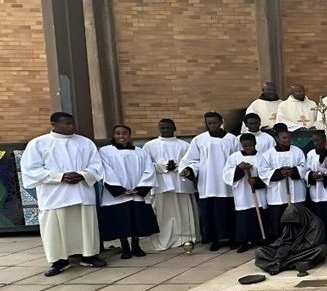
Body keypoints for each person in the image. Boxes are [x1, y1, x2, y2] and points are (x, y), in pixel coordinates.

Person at [21, 112, 108, 276]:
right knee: (54, 228)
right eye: (66, 124)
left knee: (85, 226)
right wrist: (60, 177)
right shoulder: (38, 144)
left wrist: (83, 174)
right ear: (53, 124)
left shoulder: (85, 142)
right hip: (54, 194)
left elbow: (96, 165)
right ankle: (59, 260)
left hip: (82, 191)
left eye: (72, 123)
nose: (71, 127)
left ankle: (88, 255)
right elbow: (31, 169)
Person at [180, 111, 239, 251]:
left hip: (227, 183)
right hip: (208, 183)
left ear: (221, 121)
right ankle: (215, 240)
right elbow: (192, 160)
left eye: (215, 122)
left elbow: (237, 158)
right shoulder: (199, 140)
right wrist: (189, 170)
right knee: (210, 214)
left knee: (229, 212)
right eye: (209, 123)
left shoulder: (232, 139)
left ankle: (232, 238)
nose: (212, 125)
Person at [99, 124, 158, 259]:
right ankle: (125, 246)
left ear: (129, 136)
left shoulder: (140, 152)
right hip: (117, 194)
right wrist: (119, 189)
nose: (121, 136)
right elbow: (105, 170)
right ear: (113, 135)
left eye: (124, 133)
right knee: (120, 220)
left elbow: (149, 170)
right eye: (118, 133)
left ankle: (136, 245)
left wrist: (140, 188)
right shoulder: (105, 151)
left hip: (136, 192)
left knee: (136, 219)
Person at [145, 119, 198, 252]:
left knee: (184, 213)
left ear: (174, 128)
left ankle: (185, 238)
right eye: (162, 128)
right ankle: (163, 240)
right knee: (163, 215)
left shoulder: (185, 145)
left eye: (168, 127)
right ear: (159, 128)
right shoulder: (150, 145)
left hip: (181, 183)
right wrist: (163, 166)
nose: (165, 130)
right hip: (161, 185)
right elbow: (144, 165)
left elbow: (192, 162)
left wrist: (181, 167)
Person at [256, 124, 308, 241]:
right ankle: (279, 239)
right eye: (284, 138)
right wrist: (279, 173)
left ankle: (298, 238)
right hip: (277, 193)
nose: (287, 140)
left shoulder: (297, 151)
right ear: (277, 139)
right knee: (278, 218)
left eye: (288, 138)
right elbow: (263, 171)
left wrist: (293, 171)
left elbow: (304, 166)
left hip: (295, 191)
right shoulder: (268, 154)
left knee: (296, 216)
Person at [254, 203, 327, 276]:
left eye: (295, 222)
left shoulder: (316, 223)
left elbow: (311, 244)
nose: (292, 225)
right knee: (259, 251)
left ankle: (278, 265)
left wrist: (288, 250)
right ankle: (289, 264)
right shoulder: (290, 224)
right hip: (289, 253)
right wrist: (279, 256)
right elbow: (285, 241)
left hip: (303, 252)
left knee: (322, 249)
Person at [223, 133, 268, 253]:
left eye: (251, 145)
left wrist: (256, 181)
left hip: (257, 192)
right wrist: (239, 169)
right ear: (241, 145)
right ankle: (246, 241)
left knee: (259, 214)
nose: (248, 148)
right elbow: (227, 174)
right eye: (245, 146)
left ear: (255, 144)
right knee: (245, 216)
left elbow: (266, 173)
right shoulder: (234, 157)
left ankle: (261, 238)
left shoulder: (261, 157)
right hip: (242, 192)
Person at [305, 133, 327, 248]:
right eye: (314, 141)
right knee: (318, 216)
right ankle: (319, 239)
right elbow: (306, 170)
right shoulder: (310, 154)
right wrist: (311, 175)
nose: (316, 143)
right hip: (316, 189)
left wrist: (326, 174)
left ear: (324, 141)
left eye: (318, 140)